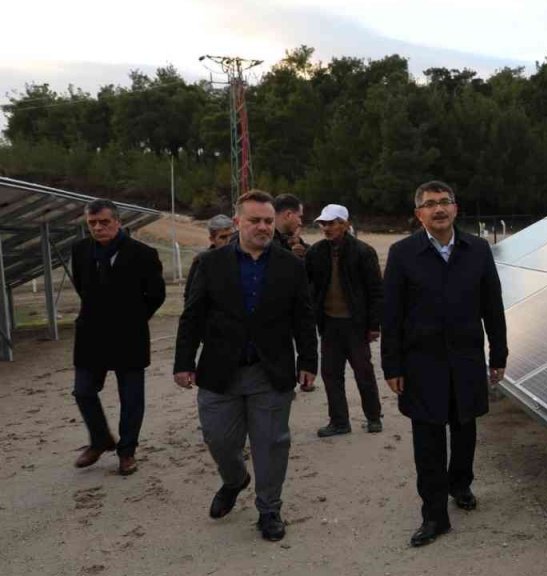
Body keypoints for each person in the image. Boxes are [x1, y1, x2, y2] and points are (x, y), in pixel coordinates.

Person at [174, 189, 317, 542]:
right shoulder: (209, 264)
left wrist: (309, 361)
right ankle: (235, 480)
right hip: (220, 371)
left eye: (268, 221)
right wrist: (183, 361)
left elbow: (303, 317)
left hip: (270, 371)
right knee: (219, 439)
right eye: (255, 220)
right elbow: (192, 316)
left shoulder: (292, 266)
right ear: (238, 222)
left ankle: (269, 508)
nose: (263, 227)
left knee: (271, 443)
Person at [382, 180, 507, 548]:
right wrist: (392, 366)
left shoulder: (479, 250)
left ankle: (461, 483)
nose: (439, 209)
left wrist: (497, 354)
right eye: (430, 204)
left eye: (445, 202)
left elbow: (492, 307)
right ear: (418, 213)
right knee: (428, 441)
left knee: (465, 429)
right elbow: (392, 315)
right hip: (422, 364)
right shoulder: (403, 254)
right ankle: (434, 515)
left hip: (466, 360)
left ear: (456, 208)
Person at [70, 199, 166, 476]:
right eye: (92, 223)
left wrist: (133, 319)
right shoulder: (80, 251)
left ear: (118, 222)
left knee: (131, 398)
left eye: (104, 222)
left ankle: (127, 452)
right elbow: (82, 287)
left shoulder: (143, 254)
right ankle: (100, 439)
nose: (98, 228)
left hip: (129, 336)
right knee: (83, 390)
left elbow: (156, 295)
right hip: (90, 333)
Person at [305, 204, 384, 437]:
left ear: (345, 224)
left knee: (364, 373)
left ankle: (373, 417)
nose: (326, 228)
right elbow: (306, 285)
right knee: (330, 374)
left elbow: (376, 291)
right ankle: (339, 421)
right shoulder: (316, 252)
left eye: (331, 223)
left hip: (356, 324)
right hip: (329, 323)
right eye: (323, 223)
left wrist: (374, 325)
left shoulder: (363, 252)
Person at [186, 214, 235, 295]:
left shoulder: (243, 259)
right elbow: (190, 294)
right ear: (212, 239)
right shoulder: (202, 261)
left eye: (232, 236)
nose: (229, 241)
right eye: (223, 237)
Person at [272, 193, 308, 258]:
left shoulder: (288, 241)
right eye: (299, 217)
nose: (300, 223)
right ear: (288, 215)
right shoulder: (267, 244)